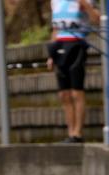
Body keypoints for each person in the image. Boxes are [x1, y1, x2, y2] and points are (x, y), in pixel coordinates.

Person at [48, 0, 100, 143]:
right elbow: (55, 29)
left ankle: (78, 133)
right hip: (59, 45)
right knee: (63, 93)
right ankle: (70, 132)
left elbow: (97, 19)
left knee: (77, 91)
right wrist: (51, 56)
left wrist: (86, 5)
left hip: (77, 45)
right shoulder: (55, 2)